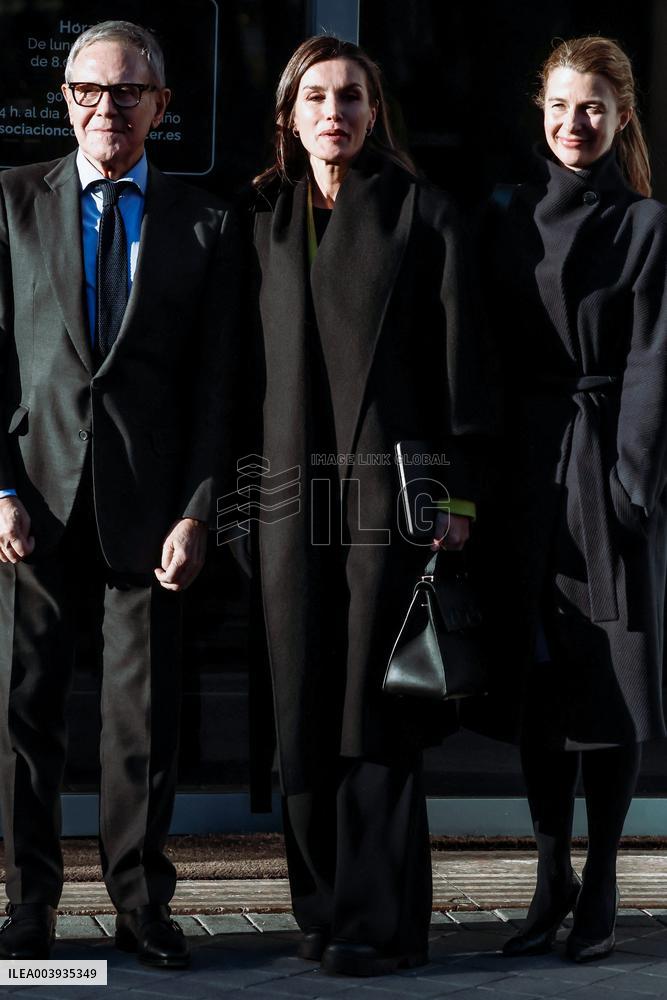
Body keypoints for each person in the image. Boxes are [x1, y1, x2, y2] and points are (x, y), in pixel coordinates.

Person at [246, 35, 497, 977]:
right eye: (316, 96)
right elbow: (237, 375)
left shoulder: (420, 212)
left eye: (351, 97)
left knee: (374, 706)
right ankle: (319, 906)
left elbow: (458, 366)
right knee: (300, 700)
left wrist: (451, 494)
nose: (334, 112)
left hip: (387, 495)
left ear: (372, 112)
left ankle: (377, 919)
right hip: (280, 496)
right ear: (290, 113)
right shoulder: (260, 216)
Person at [0, 20, 234, 965]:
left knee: (140, 725)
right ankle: (29, 909)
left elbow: (221, 387)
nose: (108, 108)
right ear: (65, 100)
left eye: (128, 92)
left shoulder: (205, 223)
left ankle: (142, 906)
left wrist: (199, 509)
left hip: (152, 515)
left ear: (161, 108)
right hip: (34, 504)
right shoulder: (12, 204)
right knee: (23, 717)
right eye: (90, 92)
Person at [477, 36, 667, 963]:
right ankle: (547, 879)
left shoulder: (646, 227)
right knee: (540, 681)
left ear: (621, 114)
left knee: (611, 678)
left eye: (591, 106)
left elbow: (653, 362)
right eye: (557, 106)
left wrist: (632, 481)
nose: (571, 123)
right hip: (523, 473)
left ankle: (600, 881)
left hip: (606, 477)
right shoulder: (506, 218)